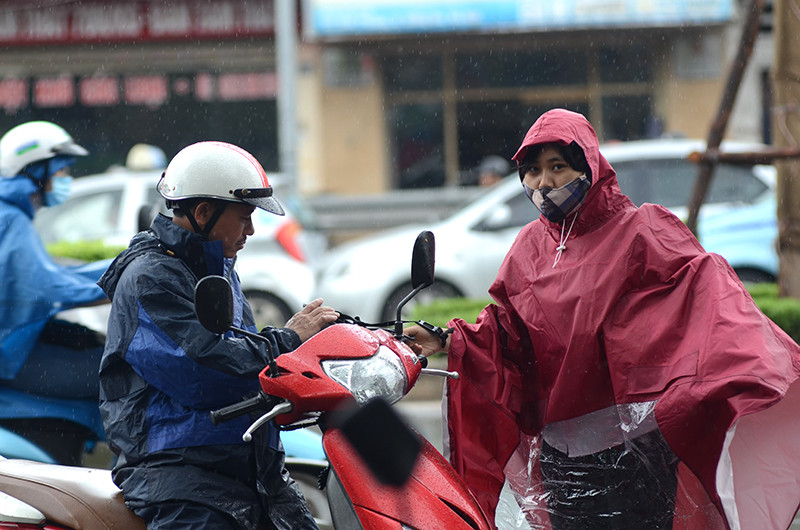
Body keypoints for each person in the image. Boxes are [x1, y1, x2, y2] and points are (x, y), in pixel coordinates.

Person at [407, 109, 800, 529]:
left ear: (589, 166)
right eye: (533, 171)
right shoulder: (528, 248)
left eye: (558, 167)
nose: (544, 183)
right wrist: (446, 339)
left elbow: (703, 292)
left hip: (635, 450)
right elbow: (511, 333)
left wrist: (745, 365)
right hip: (560, 458)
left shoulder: (641, 230)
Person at [97, 141, 338, 530]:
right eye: (244, 217)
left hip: (241, 465)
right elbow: (204, 374)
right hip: (178, 470)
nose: (252, 229)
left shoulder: (216, 265)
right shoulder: (150, 278)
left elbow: (245, 350)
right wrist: (288, 340)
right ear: (204, 212)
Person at [0, 121, 110, 461]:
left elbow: (53, 275)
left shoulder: (11, 215)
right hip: (12, 358)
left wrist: (126, 264)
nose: (66, 179)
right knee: (124, 372)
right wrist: (125, 275)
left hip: (18, 349)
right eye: (60, 170)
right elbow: (49, 288)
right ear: (34, 171)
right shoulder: (9, 220)